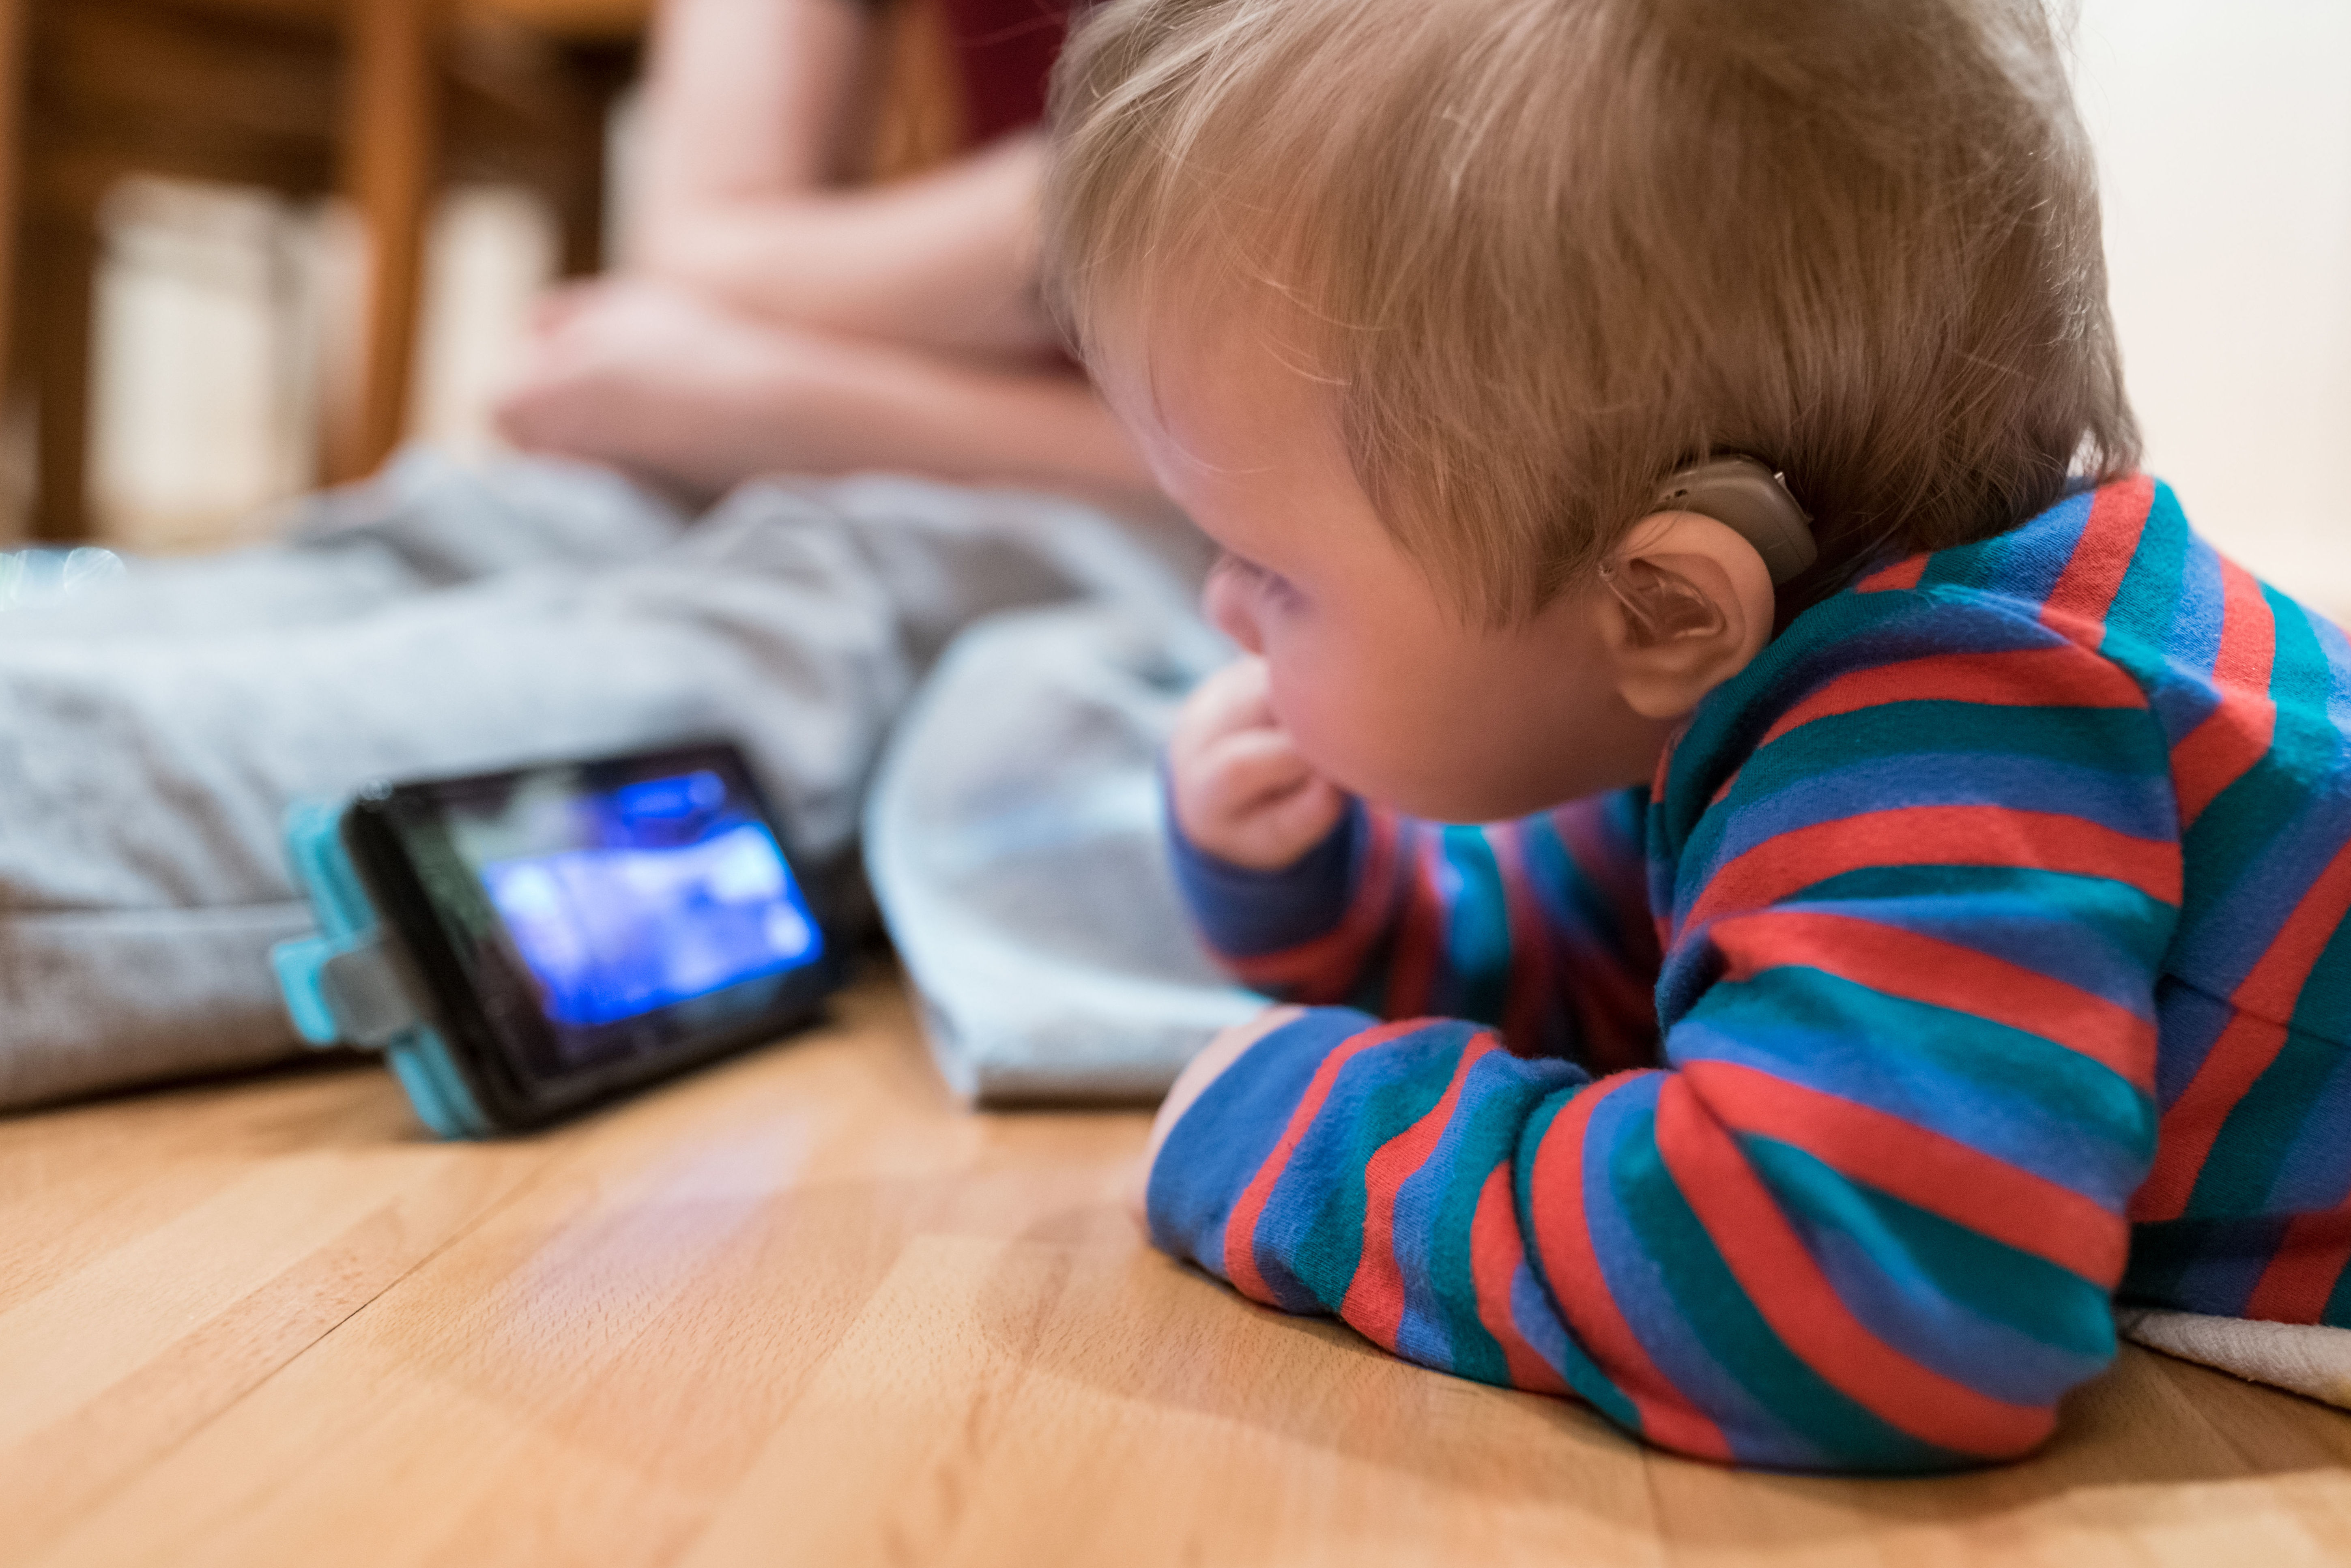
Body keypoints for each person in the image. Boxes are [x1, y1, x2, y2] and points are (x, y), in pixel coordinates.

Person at [1044, 0, 2351, 1471]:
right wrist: (1352, 891)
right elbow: (1641, 968)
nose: (1222, 605)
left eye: (1273, 568)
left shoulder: (1958, 737)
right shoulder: (1803, 672)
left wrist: (1328, 1152)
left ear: (1663, 607)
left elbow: (1866, 1297)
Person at [0, 0, 1188, 1111]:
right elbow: (698, 241)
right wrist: (1093, 212)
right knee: (475, 528)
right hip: (892, 435)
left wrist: (774, 388)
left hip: (1142, 510)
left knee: (797, 619)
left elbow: (1265, 465)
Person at [494, 0, 1145, 505]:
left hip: (1128, 532)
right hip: (999, 478)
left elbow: (1223, 466)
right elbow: (697, 248)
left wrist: (778, 406)